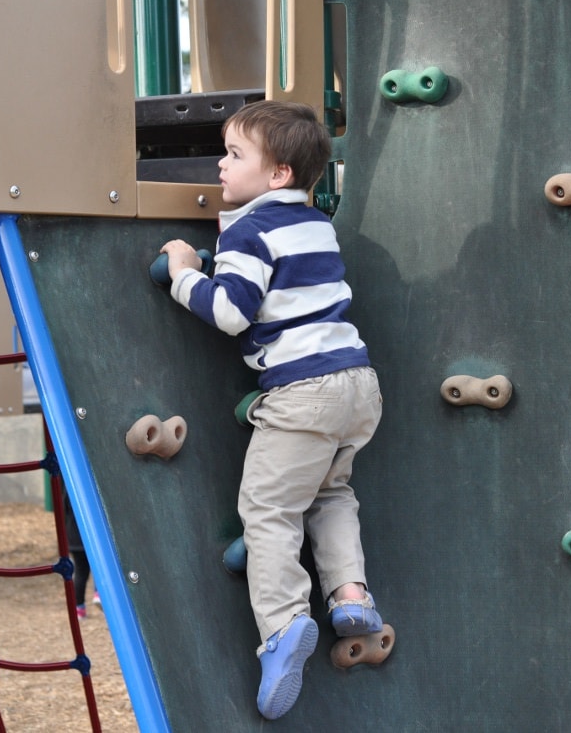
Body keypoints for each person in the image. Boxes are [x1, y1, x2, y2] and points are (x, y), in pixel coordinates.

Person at [160, 100, 383, 720]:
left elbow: (231, 313)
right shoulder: (312, 224)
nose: (220, 167)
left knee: (268, 510)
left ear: (278, 174)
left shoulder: (247, 231)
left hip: (302, 393)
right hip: (358, 384)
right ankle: (349, 592)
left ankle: (285, 624)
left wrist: (183, 271)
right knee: (331, 492)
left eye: (234, 155)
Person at [63, 488, 101, 620]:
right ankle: (99, 592)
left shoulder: (69, 488)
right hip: (92, 536)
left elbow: (64, 510)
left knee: (80, 573)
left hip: (74, 537)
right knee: (99, 566)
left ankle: (79, 609)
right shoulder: (91, 488)